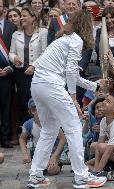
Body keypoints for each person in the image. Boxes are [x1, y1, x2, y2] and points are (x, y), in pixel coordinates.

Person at [27, 10, 107, 188]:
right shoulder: (76, 40)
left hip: (38, 86)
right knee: (74, 128)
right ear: (86, 25)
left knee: (49, 131)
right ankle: (82, 177)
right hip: (51, 86)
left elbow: (74, 75)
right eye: (92, 24)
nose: (94, 28)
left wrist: (95, 86)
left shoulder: (63, 40)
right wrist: (73, 97)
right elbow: (71, 72)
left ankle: (35, 176)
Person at [9, 6, 48, 126]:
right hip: (21, 74)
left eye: (24, 15)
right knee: (24, 102)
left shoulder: (43, 32)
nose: (21, 18)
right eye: (21, 16)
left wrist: (34, 66)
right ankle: (26, 129)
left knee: (37, 102)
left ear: (33, 17)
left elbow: (45, 53)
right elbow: (11, 52)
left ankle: (39, 130)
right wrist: (14, 58)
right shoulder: (16, 34)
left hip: (37, 73)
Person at [19, 98, 66, 176]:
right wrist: (25, 154)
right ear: (33, 111)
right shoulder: (28, 124)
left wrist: (54, 156)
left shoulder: (52, 123)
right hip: (37, 155)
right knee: (36, 171)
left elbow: (63, 138)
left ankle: (58, 163)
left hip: (51, 154)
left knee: (51, 171)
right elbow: (22, 138)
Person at [0, 0, 17, 148]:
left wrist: (10, 67)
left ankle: (5, 137)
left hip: (7, 73)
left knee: (6, 106)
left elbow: (14, 50)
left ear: (4, 9)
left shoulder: (12, 27)